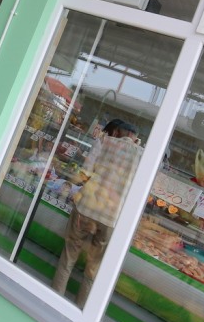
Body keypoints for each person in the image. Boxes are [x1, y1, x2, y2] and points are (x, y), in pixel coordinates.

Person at [53, 119, 143, 307]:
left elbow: (85, 174)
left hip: (86, 208)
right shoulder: (142, 156)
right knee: (93, 268)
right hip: (111, 217)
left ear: (116, 132)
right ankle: (81, 309)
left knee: (69, 257)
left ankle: (54, 299)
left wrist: (74, 182)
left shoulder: (103, 141)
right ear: (134, 138)